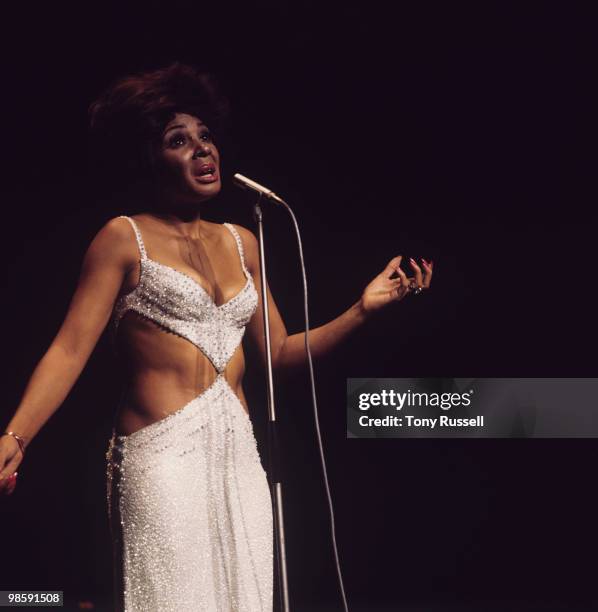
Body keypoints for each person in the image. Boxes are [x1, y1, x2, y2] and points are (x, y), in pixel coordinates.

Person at [0, 62, 433, 611]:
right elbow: (67, 350)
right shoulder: (122, 238)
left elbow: (278, 355)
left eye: (206, 137)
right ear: (149, 158)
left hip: (239, 463)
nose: (203, 151)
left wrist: (362, 310)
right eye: (179, 141)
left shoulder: (243, 241)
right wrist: (14, 440)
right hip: (162, 463)